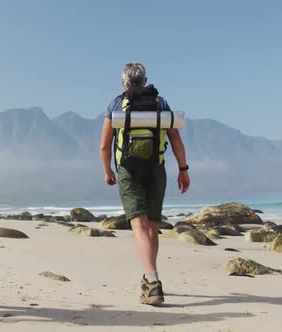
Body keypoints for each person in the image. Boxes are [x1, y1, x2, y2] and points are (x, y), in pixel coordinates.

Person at [99, 63, 190, 305]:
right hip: (155, 169)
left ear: (124, 83)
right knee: (151, 226)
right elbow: (175, 137)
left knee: (138, 225)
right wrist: (183, 169)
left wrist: (107, 170)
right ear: (146, 79)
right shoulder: (160, 103)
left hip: (129, 170)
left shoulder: (116, 104)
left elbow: (104, 145)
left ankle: (152, 281)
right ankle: (150, 277)